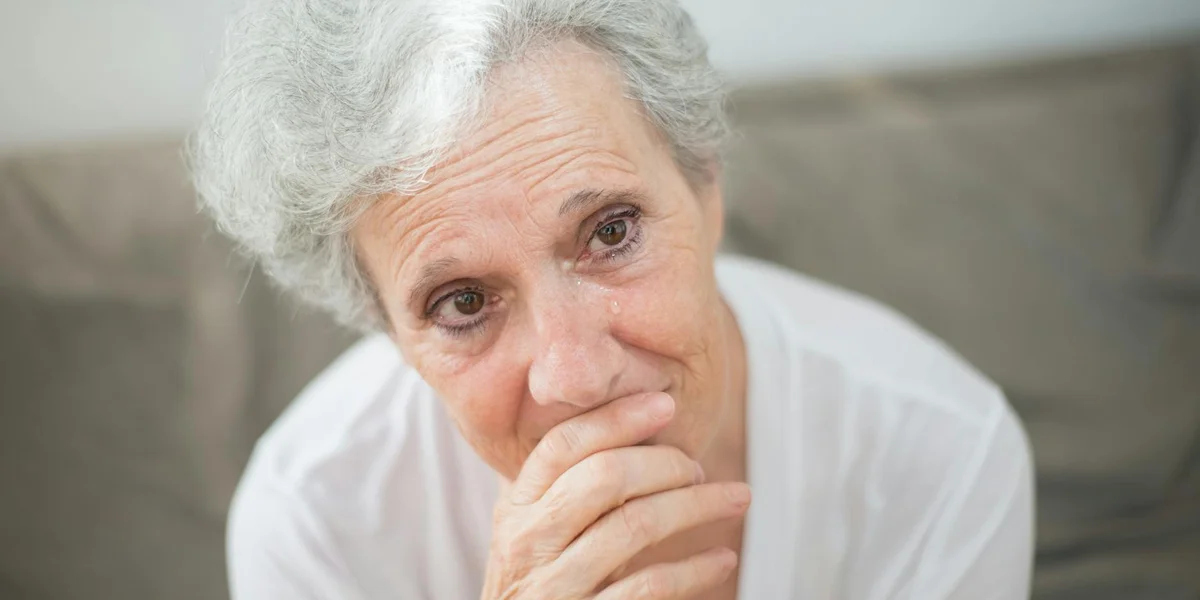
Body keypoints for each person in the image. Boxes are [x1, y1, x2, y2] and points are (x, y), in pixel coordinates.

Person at [189, 0, 1035, 598]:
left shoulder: (941, 454)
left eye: (611, 232)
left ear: (705, 187)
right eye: (462, 303)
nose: (579, 374)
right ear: (385, 331)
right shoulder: (312, 521)